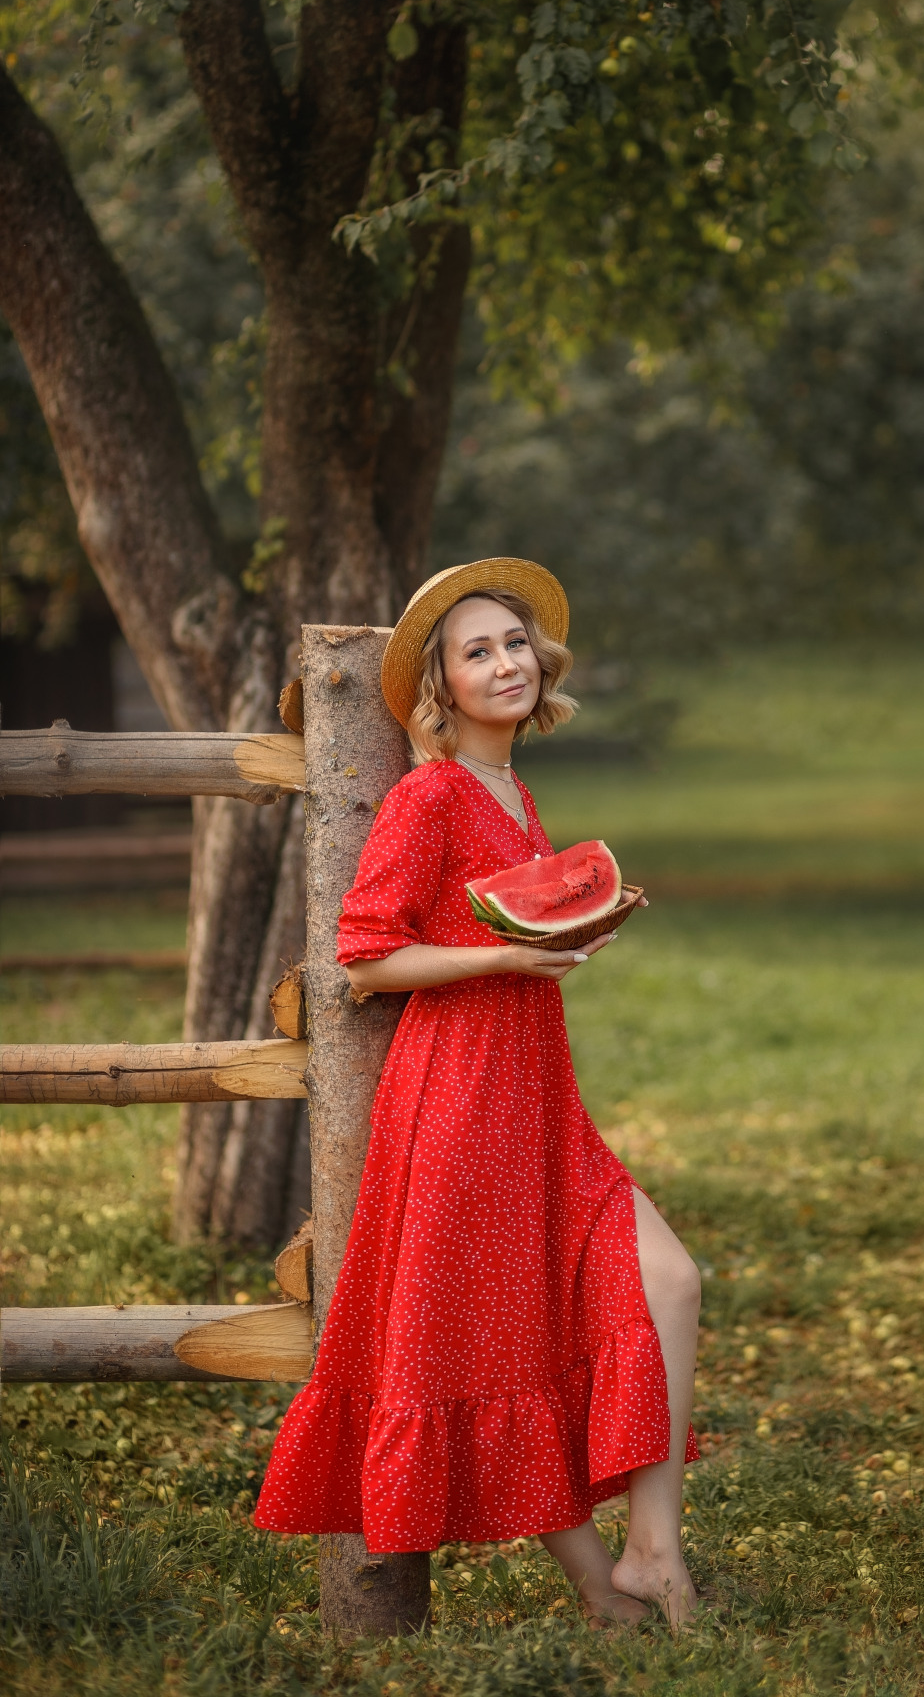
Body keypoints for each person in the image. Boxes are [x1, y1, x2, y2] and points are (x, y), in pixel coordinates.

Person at [254, 558, 701, 1628]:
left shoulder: (516, 794)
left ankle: (648, 1549)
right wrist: (503, 962)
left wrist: (569, 921)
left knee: (669, 1282)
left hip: (539, 1097)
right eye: (477, 652)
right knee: (501, 1349)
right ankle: (614, 1591)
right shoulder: (429, 796)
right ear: (441, 690)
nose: (505, 664)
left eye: (515, 645)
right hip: (459, 1101)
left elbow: (509, 920)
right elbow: (362, 959)